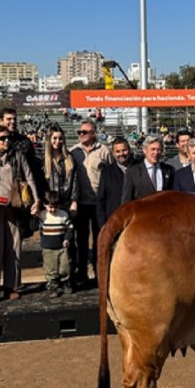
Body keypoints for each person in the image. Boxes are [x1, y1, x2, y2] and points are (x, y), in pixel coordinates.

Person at [0, 125, 41, 305]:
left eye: (8, 138)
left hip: (14, 207)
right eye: (2, 138)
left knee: (14, 247)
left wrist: (36, 199)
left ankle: (11, 286)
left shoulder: (17, 156)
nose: (6, 141)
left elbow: (29, 177)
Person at [69, 120, 113, 287]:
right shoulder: (73, 152)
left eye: (85, 132)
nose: (81, 134)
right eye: (79, 132)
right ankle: (81, 272)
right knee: (80, 239)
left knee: (99, 238)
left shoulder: (104, 151)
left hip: (98, 202)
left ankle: (98, 271)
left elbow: (111, 174)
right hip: (80, 202)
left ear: (93, 133)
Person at [38, 190, 74, 297]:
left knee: (65, 267)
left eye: (55, 207)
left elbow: (70, 228)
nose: (52, 210)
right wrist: (34, 216)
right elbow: (34, 227)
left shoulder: (63, 215)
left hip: (62, 247)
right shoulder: (42, 215)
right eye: (50, 207)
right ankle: (53, 286)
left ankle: (65, 283)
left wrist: (67, 239)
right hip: (48, 248)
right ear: (45, 205)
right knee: (51, 268)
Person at [122, 135, 175, 203]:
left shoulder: (169, 170)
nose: (156, 153)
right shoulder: (133, 171)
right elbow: (127, 199)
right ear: (144, 150)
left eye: (159, 150)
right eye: (153, 149)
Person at [42, 127, 80, 213]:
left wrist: (74, 201)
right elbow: (41, 184)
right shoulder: (44, 160)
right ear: (49, 139)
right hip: (50, 205)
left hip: (66, 204)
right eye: (54, 138)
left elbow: (75, 181)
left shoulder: (69, 158)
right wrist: (46, 203)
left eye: (60, 138)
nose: (58, 141)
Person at [96, 137, 132, 226]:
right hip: (114, 221)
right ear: (113, 153)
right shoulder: (106, 172)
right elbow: (101, 199)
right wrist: (103, 224)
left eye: (124, 150)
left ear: (129, 150)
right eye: (118, 151)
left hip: (135, 221)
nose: (121, 154)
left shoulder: (139, 168)